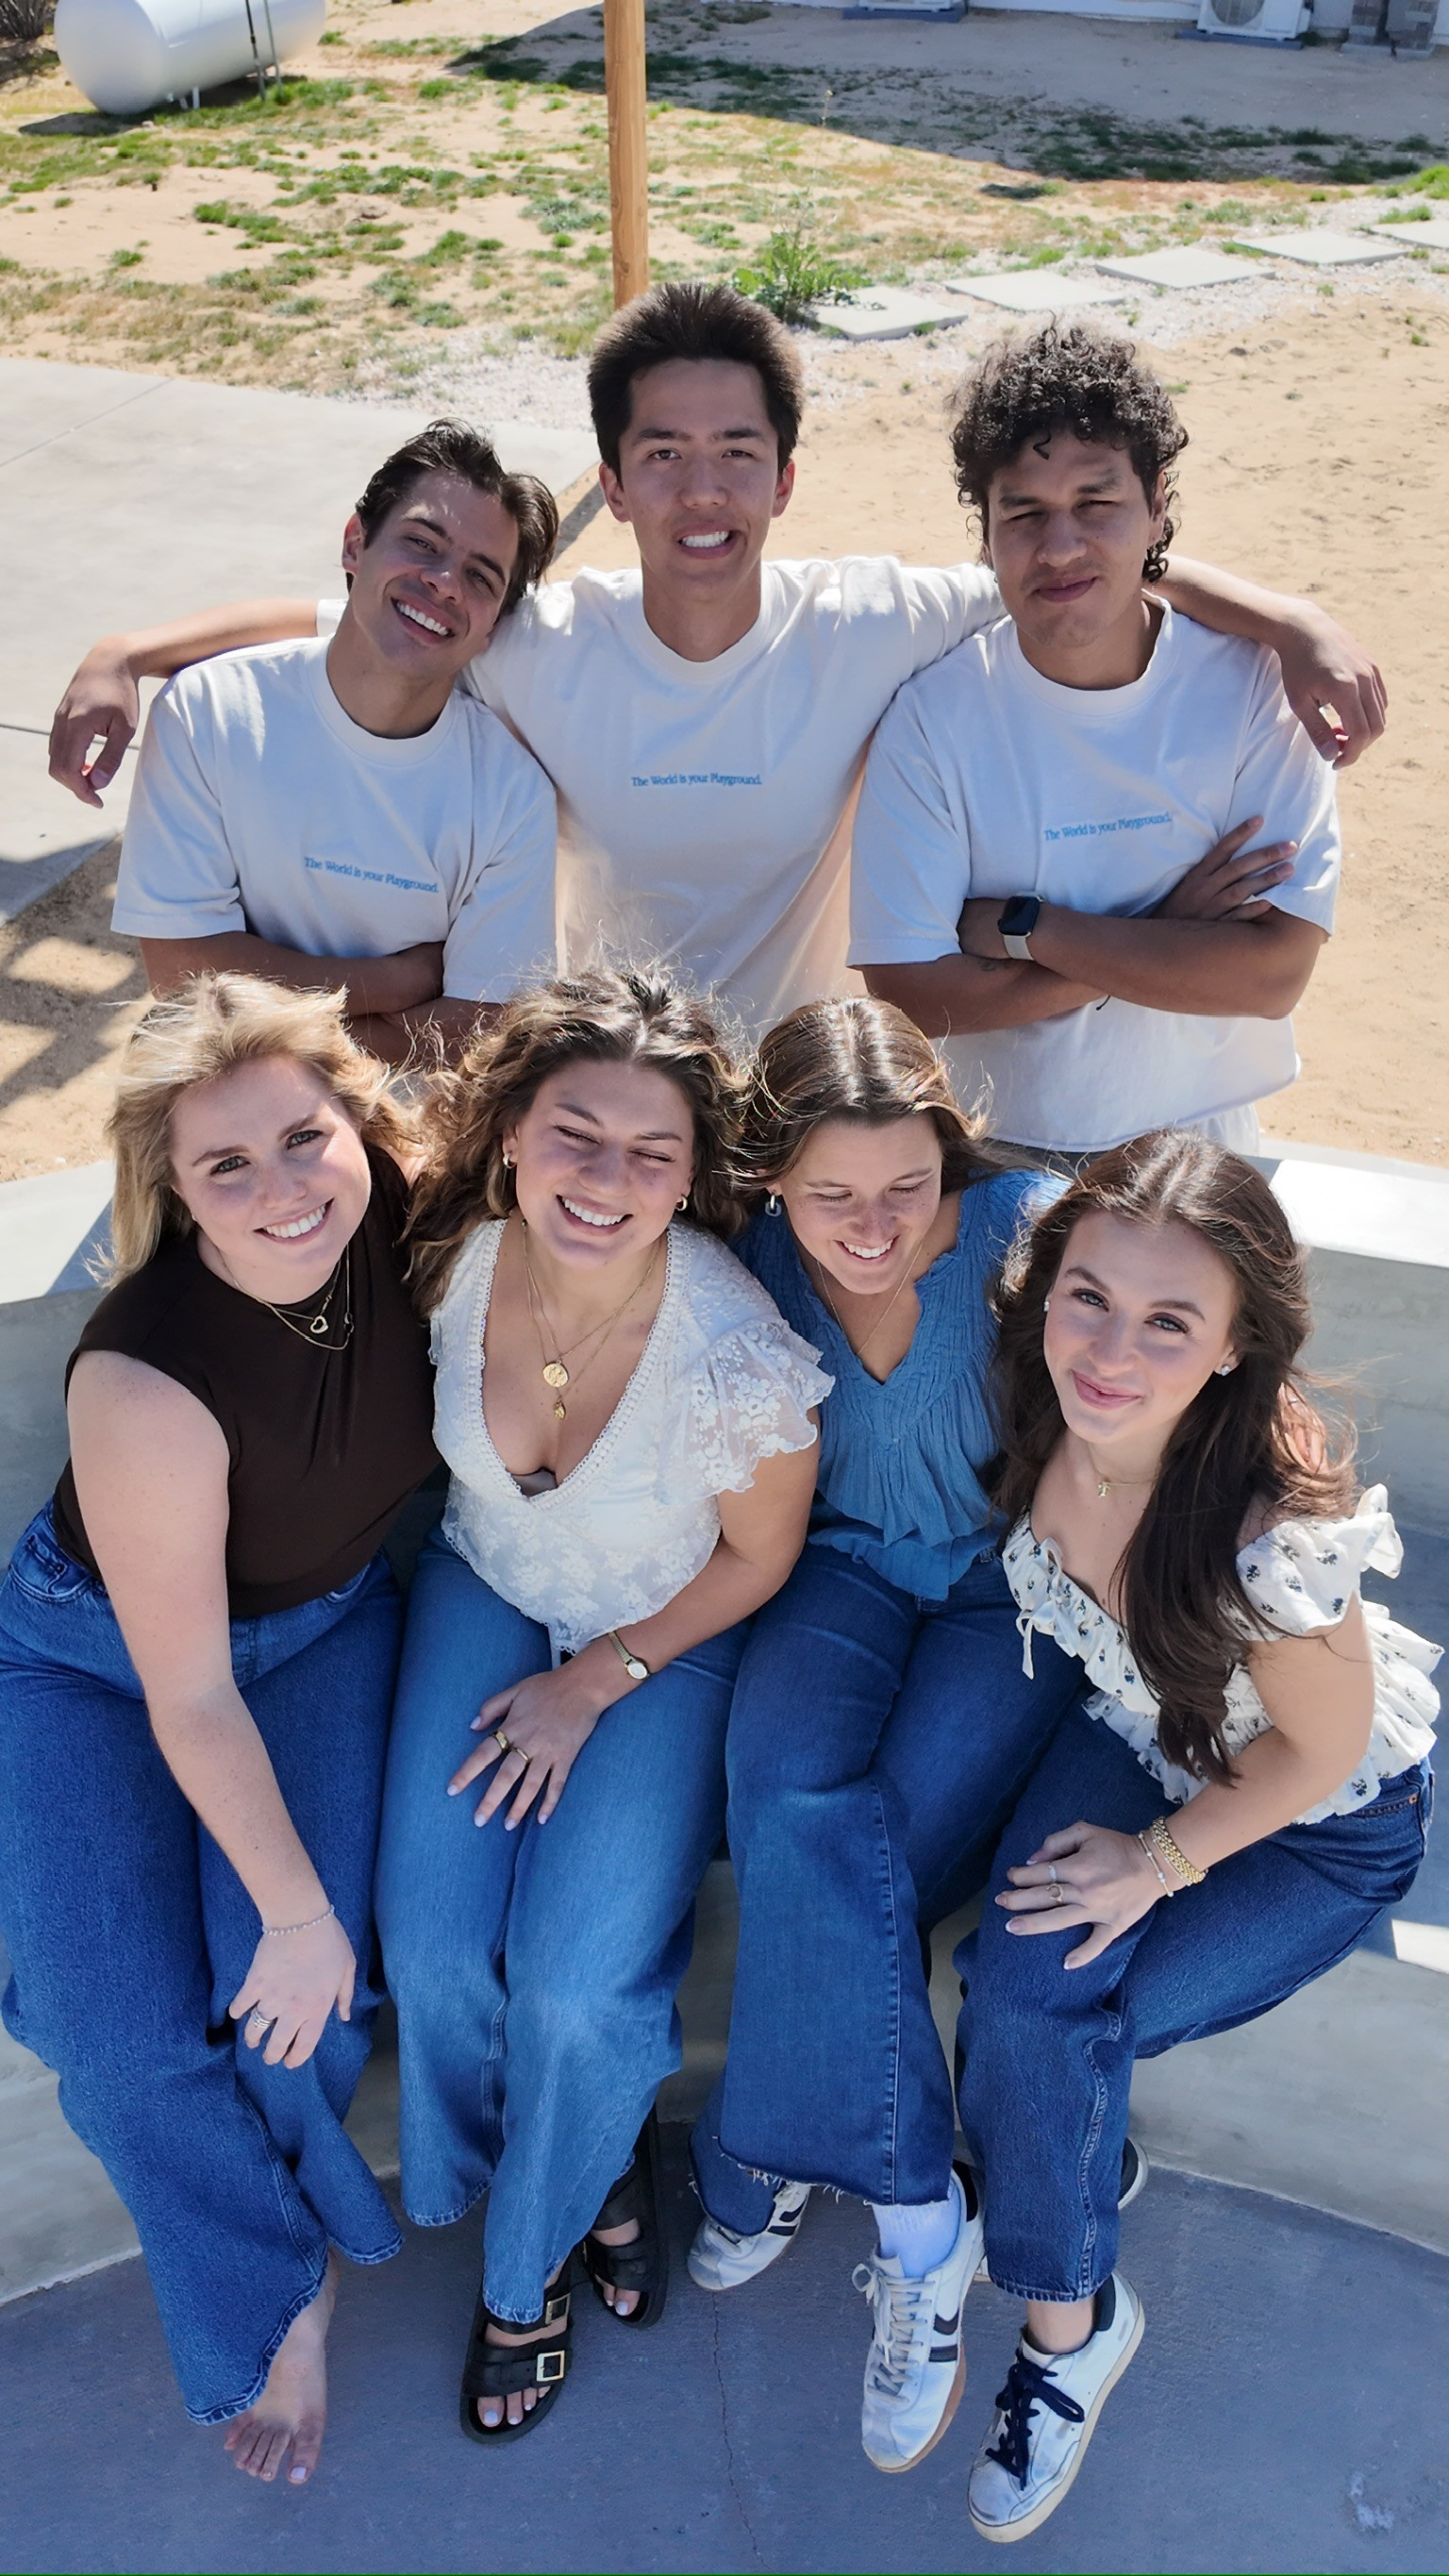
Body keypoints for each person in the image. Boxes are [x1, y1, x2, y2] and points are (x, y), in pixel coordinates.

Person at [51, 289, 1384, 1042]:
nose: (704, 490)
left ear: (787, 477)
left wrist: (1288, 622)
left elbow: (1067, 557)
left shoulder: (870, 618)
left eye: (738, 452)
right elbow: (361, 616)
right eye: (664, 455)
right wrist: (129, 652)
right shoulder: (543, 645)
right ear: (616, 488)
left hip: (806, 1081)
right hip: (607, 1079)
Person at [954, 1129, 1437, 2542]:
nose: (1112, 1348)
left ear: (1233, 1347)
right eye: (1089, 1295)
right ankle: (1074, 2172)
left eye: (1172, 1322)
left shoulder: (1268, 1539)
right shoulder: (1052, 1408)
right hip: (1141, 1733)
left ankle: (1067, 2332)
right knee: (1019, 1989)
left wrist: (1157, 1861)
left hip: (1314, 1823)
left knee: (1053, 2026)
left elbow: (1325, 1750)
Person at [373, 967, 831, 2441]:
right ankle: (584, 2157)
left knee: (575, 1984)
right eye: (577, 1133)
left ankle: (525, 2268)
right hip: (486, 1581)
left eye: (654, 1154)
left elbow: (758, 1558)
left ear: (696, 1178)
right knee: (437, 1944)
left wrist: (596, 1677)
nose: (607, 1180)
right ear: (508, 1131)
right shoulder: (446, 1250)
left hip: (664, 1629)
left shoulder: (736, 1349)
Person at [0, 976, 440, 2485]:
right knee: (115, 2043)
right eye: (226, 1168)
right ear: (176, 1192)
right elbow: (187, 1692)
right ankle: (276, 2278)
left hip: (319, 1626)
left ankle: (284, 2235)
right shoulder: (144, 1372)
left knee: (294, 2015)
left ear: (362, 1125)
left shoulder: (423, 1216)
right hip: (93, 1662)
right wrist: (300, 1909)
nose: (282, 1191)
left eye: (304, 1139)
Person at [684, 995, 1086, 2477]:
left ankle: (761, 2141)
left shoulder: (1030, 1238)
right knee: (781, 1795)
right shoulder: (737, 1267)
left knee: (886, 1849)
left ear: (951, 1155)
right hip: (837, 1566)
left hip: (1005, 1587)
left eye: (907, 1185)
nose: (872, 1224)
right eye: (832, 1193)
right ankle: (925, 2224)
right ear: (772, 1179)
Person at [852, 323, 1343, 1162]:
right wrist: (1170, 930)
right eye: (1025, 512)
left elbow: (1270, 975)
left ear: (1157, 505)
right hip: (993, 1161)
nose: (1061, 546)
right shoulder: (933, 720)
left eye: (1096, 503)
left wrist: (1030, 931)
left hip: (1205, 1153)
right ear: (986, 533)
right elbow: (912, 997)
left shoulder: (1256, 688)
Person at [93, 423, 559, 1064]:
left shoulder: (512, 794)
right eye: (422, 543)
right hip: (231, 1131)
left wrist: (267, 1024)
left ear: (491, 631)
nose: (447, 583)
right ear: (354, 543)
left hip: (404, 1139)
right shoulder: (209, 713)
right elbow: (182, 969)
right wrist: (399, 981)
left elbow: (478, 1026)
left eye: (481, 578)